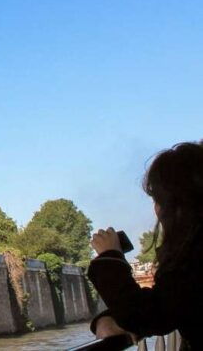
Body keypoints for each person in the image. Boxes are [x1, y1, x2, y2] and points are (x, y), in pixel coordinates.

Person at [88, 141, 203, 350]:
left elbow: (153, 315)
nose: (156, 210)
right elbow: (171, 304)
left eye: (158, 200)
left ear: (177, 205)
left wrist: (109, 256)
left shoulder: (194, 255)